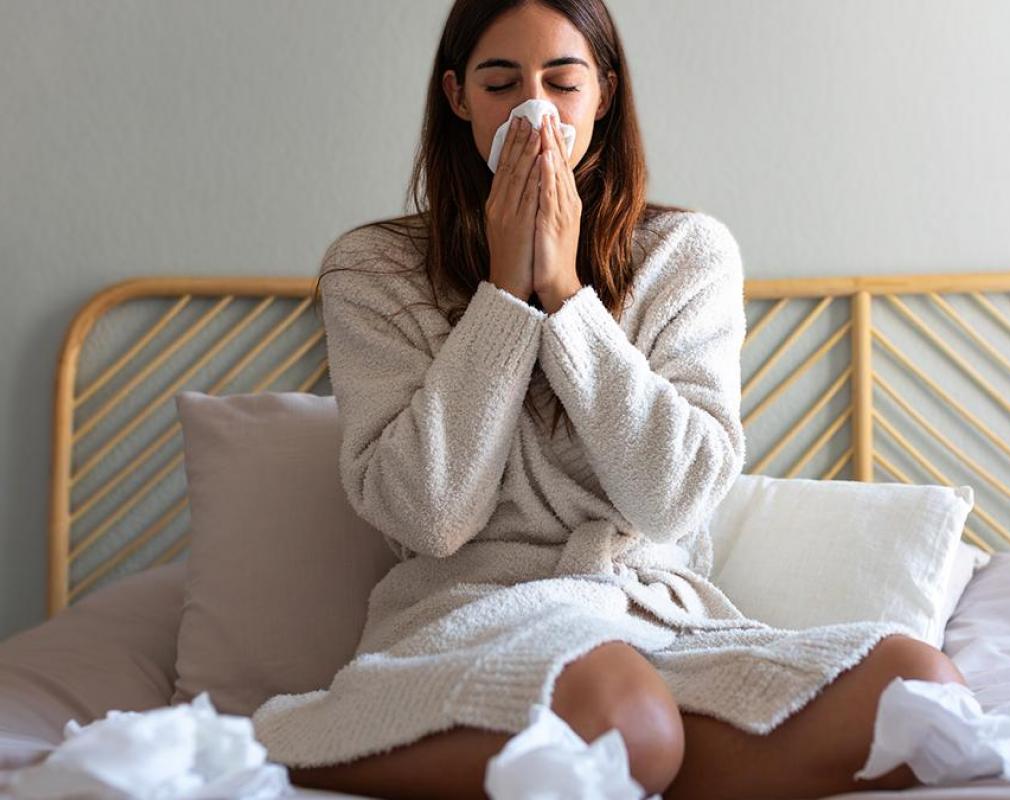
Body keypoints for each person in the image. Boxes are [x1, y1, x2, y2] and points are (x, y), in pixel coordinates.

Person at [251, 1, 968, 798]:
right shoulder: (375, 269)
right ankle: (325, 740)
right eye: (501, 83)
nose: (536, 111)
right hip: (476, 623)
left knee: (920, 694)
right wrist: (502, 294)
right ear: (458, 96)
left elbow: (675, 500)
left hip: (655, 622)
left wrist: (565, 296)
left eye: (563, 82)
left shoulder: (686, 256)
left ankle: (627, 763)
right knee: (620, 710)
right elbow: (429, 514)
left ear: (604, 93)